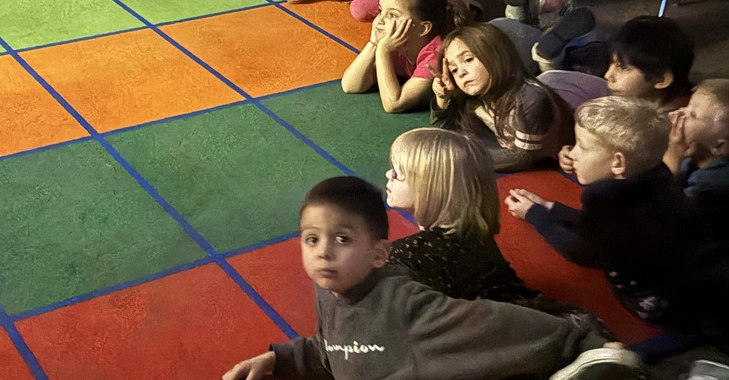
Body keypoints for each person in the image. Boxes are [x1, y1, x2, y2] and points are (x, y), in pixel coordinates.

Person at [222, 175, 643, 380]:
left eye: (342, 239)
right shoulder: (331, 291)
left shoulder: (404, 303)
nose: (323, 252)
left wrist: (577, 340)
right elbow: (341, 345)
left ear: (378, 253)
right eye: (311, 240)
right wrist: (281, 358)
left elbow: (492, 322)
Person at [505, 96, 696, 324]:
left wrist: (534, 215)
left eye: (582, 147)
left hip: (657, 302)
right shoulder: (656, 173)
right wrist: (551, 208)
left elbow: (579, 250)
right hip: (681, 277)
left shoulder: (607, 199)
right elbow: (610, 229)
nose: (572, 154)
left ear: (618, 163)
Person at [386, 127, 545, 302]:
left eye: (397, 173)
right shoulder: (475, 232)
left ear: (429, 188)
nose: (388, 174)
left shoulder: (406, 256)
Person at [553, 15, 696, 168]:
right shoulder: (633, 103)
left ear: (661, 79)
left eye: (622, 67)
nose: (608, 75)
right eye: (611, 63)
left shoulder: (681, 132)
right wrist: (578, 152)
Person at [434, 22, 575, 172]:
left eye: (468, 60)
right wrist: (444, 99)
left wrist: (460, 157)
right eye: (454, 69)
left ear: (496, 55)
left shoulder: (530, 98)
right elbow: (449, 134)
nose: (461, 72)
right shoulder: (478, 99)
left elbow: (522, 158)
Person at [340, 0, 454, 113]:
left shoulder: (436, 55)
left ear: (423, 28)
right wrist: (373, 43)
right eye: (381, 11)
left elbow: (394, 103)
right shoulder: (399, 44)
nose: (379, 20)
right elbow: (350, 86)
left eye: (392, 15)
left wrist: (383, 51)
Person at [664, 79, 729, 233]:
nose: (675, 114)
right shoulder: (690, 161)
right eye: (685, 107)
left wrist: (671, 158)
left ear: (719, 146)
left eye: (692, 114)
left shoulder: (712, 186)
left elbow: (661, 218)